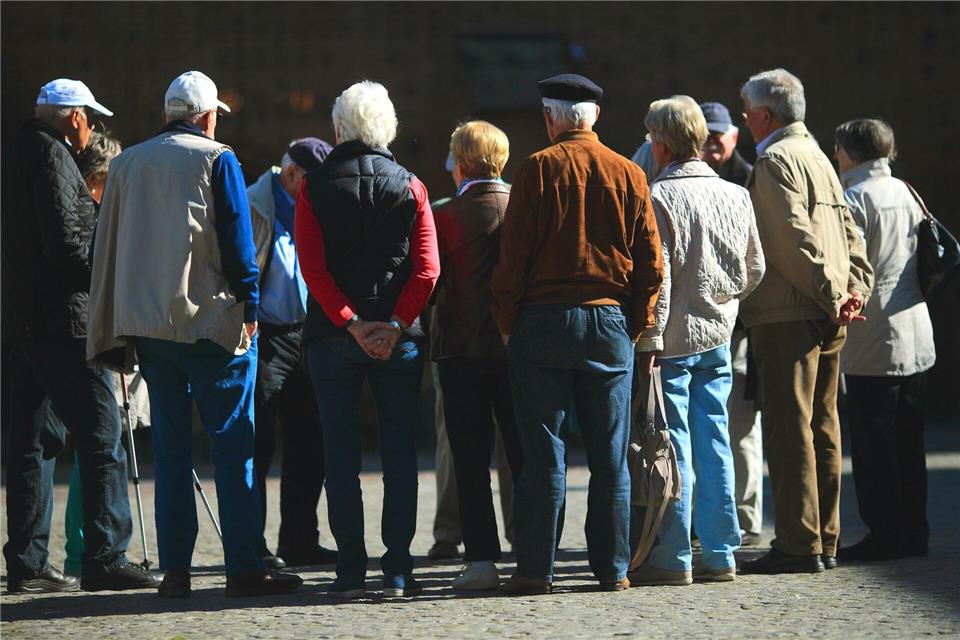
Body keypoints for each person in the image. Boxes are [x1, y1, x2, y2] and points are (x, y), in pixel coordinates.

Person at [87, 71, 302, 598]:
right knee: (234, 445)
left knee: (171, 451)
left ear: (168, 114)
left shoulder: (128, 163)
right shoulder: (217, 157)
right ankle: (244, 566)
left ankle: (177, 571)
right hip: (210, 322)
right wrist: (250, 305)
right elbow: (237, 240)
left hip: (151, 328)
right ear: (206, 117)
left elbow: (104, 243)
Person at [491, 73, 664, 595]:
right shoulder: (629, 172)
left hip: (542, 321)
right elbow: (651, 263)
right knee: (610, 456)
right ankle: (612, 569)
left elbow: (512, 259)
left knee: (544, 454)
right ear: (596, 117)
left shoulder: (537, 169)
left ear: (550, 118)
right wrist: (635, 324)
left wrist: (507, 324)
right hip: (609, 320)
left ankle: (535, 570)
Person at [3, 79, 160, 594]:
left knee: (32, 443)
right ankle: (105, 555)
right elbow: (69, 244)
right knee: (102, 433)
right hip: (62, 322)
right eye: (89, 118)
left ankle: (27, 563)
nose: (90, 128)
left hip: (24, 321)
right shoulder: (53, 156)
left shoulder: (18, 151)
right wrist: (111, 276)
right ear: (75, 118)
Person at [295, 81, 440, 599]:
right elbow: (427, 270)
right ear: (388, 129)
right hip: (397, 340)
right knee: (400, 455)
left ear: (338, 129)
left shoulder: (314, 186)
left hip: (333, 338)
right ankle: (398, 569)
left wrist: (350, 321)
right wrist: (394, 325)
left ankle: (350, 570)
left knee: (340, 457)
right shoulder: (412, 186)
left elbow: (312, 268)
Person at [736, 68, 874, 575]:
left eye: (747, 112)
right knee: (823, 427)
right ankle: (825, 538)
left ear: (764, 115)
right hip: (829, 309)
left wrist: (836, 292)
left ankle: (799, 543)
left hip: (789, 313)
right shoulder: (817, 155)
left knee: (790, 428)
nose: (744, 120)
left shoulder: (775, 160)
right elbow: (849, 233)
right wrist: (853, 290)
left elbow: (790, 239)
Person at [631, 96, 765, 586]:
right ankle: (722, 551)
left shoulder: (659, 196)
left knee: (674, 447)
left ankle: (674, 555)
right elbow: (755, 268)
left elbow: (659, 280)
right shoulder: (735, 194)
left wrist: (649, 338)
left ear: (662, 145)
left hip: (673, 341)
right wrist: (725, 303)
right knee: (716, 440)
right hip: (718, 335)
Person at [834, 119, 936, 561]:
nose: (836, 156)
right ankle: (914, 530)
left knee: (874, 444)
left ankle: (885, 534)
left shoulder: (855, 198)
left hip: (874, 338)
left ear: (851, 153)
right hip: (916, 330)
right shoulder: (906, 191)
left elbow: (853, 266)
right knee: (910, 442)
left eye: (839, 148)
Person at [432, 120, 523, 590]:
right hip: (516, 349)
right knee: (524, 453)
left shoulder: (445, 214)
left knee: (469, 459)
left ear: (462, 163)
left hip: (460, 350)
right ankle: (533, 551)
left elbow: (430, 281)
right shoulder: (524, 209)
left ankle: (482, 559)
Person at [247, 137, 338, 569]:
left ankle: (299, 540)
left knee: (310, 440)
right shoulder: (253, 204)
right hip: (264, 335)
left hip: (306, 333)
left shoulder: (315, 205)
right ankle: (252, 546)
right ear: (292, 174)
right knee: (259, 443)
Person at [699, 101, 764, 545]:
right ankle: (711, 518)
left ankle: (746, 516)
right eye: (705, 134)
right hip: (704, 323)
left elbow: (757, 259)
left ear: (734, 136)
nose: (712, 142)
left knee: (740, 424)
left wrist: (735, 304)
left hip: (739, 325)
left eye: (718, 134)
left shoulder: (750, 178)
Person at [63, 129, 125, 577]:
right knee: (101, 437)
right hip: (89, 334)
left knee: (99, 437)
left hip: (97, 331)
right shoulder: (87, 214)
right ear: (97, 178)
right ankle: (86, 548)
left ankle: (83, 548)